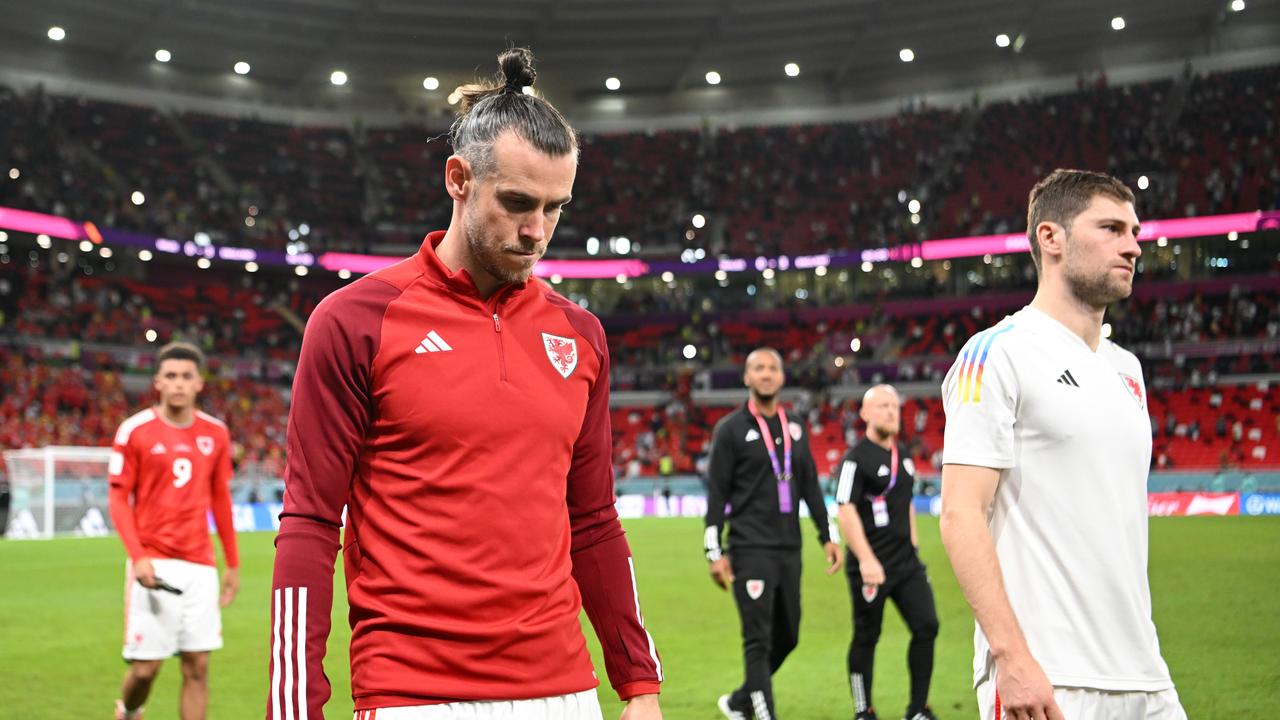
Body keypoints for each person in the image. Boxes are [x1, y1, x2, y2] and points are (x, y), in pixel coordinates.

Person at [267, 48, 663, 720]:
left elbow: (593, 521)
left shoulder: (582, 336)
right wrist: (293, 706)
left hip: (565, 690)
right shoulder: (355, 320)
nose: (536, 231)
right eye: (516, 203)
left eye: (554, 208)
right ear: (458, 177)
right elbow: (309, 522)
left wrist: (639, 684)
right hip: (412, 694)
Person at [939, 169, 1185, 720]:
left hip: (1145, 675)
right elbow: (960, 514)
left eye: (1135, 231)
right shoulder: (996, 354)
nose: (1134, 246)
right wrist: (1012, 657)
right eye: (1112, 228)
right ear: (1051, 238)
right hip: (1050, 676)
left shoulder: (1128, 369)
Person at [705, 347, 842, 720]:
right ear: (747, 378)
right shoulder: (730, 429)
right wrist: (713, 552)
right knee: (757, 641)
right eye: (758, 368)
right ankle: (761, 714)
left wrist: (827, 535)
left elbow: (811, 485)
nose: (766, 374)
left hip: (789, 548)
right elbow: (717, 493)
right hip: (749, 548)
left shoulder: (794, 425)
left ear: (782, 378)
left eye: (772, 368)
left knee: (789, 636)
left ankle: (739, 701)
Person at [107, 341, 240, 720]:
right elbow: (118, 500)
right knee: (146, 669)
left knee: (197, 666)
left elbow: (221, 501)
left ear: (199, 383)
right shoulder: (135, 431)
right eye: (170, 376)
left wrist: (232, 563)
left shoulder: (216, 433)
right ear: (157, 383)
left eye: (186, 376)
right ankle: (129, 711)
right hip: (154, 563)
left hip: (200, 564)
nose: (178, 383)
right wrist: (139, 557)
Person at [834, 384, 938, 720]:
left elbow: (905, 505)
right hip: (871, 566)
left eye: (895, 406)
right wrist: (865, 559)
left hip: (906, 564)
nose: (891, 411)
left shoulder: (904, 456)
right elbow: (845, 509)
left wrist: (916, 550)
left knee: (927, 626)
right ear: (864, 414)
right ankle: (863, 709)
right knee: (867, 636)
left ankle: (917, 709)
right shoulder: (855, 459)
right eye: (882, 406)